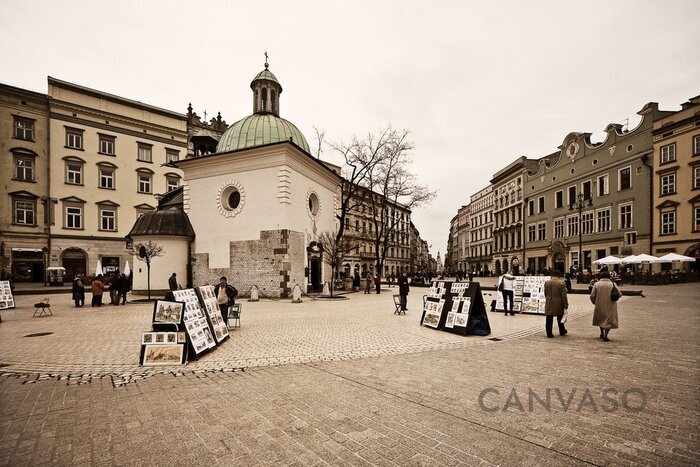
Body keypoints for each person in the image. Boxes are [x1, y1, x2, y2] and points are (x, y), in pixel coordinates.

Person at [590, 271, 619, 341]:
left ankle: (601, 333)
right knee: (609, 320)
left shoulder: (597, 284)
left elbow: (592, 295)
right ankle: (606, 335)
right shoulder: (613, 284)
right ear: (609, 276)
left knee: (601, 319)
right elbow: (619, 294)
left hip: (599, 304)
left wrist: (595, 302)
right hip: (611, 305)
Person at [544, 270, 568, 337]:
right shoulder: (561, 283)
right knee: (560, 316)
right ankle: (562, 330)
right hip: (558, 302)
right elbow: (564, 295)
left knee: (549, 318)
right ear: (559, 275)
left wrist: (548, 298)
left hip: (549, 301)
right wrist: (566, 304)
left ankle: (549, 333)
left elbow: (545, 293)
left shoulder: (547, 282)